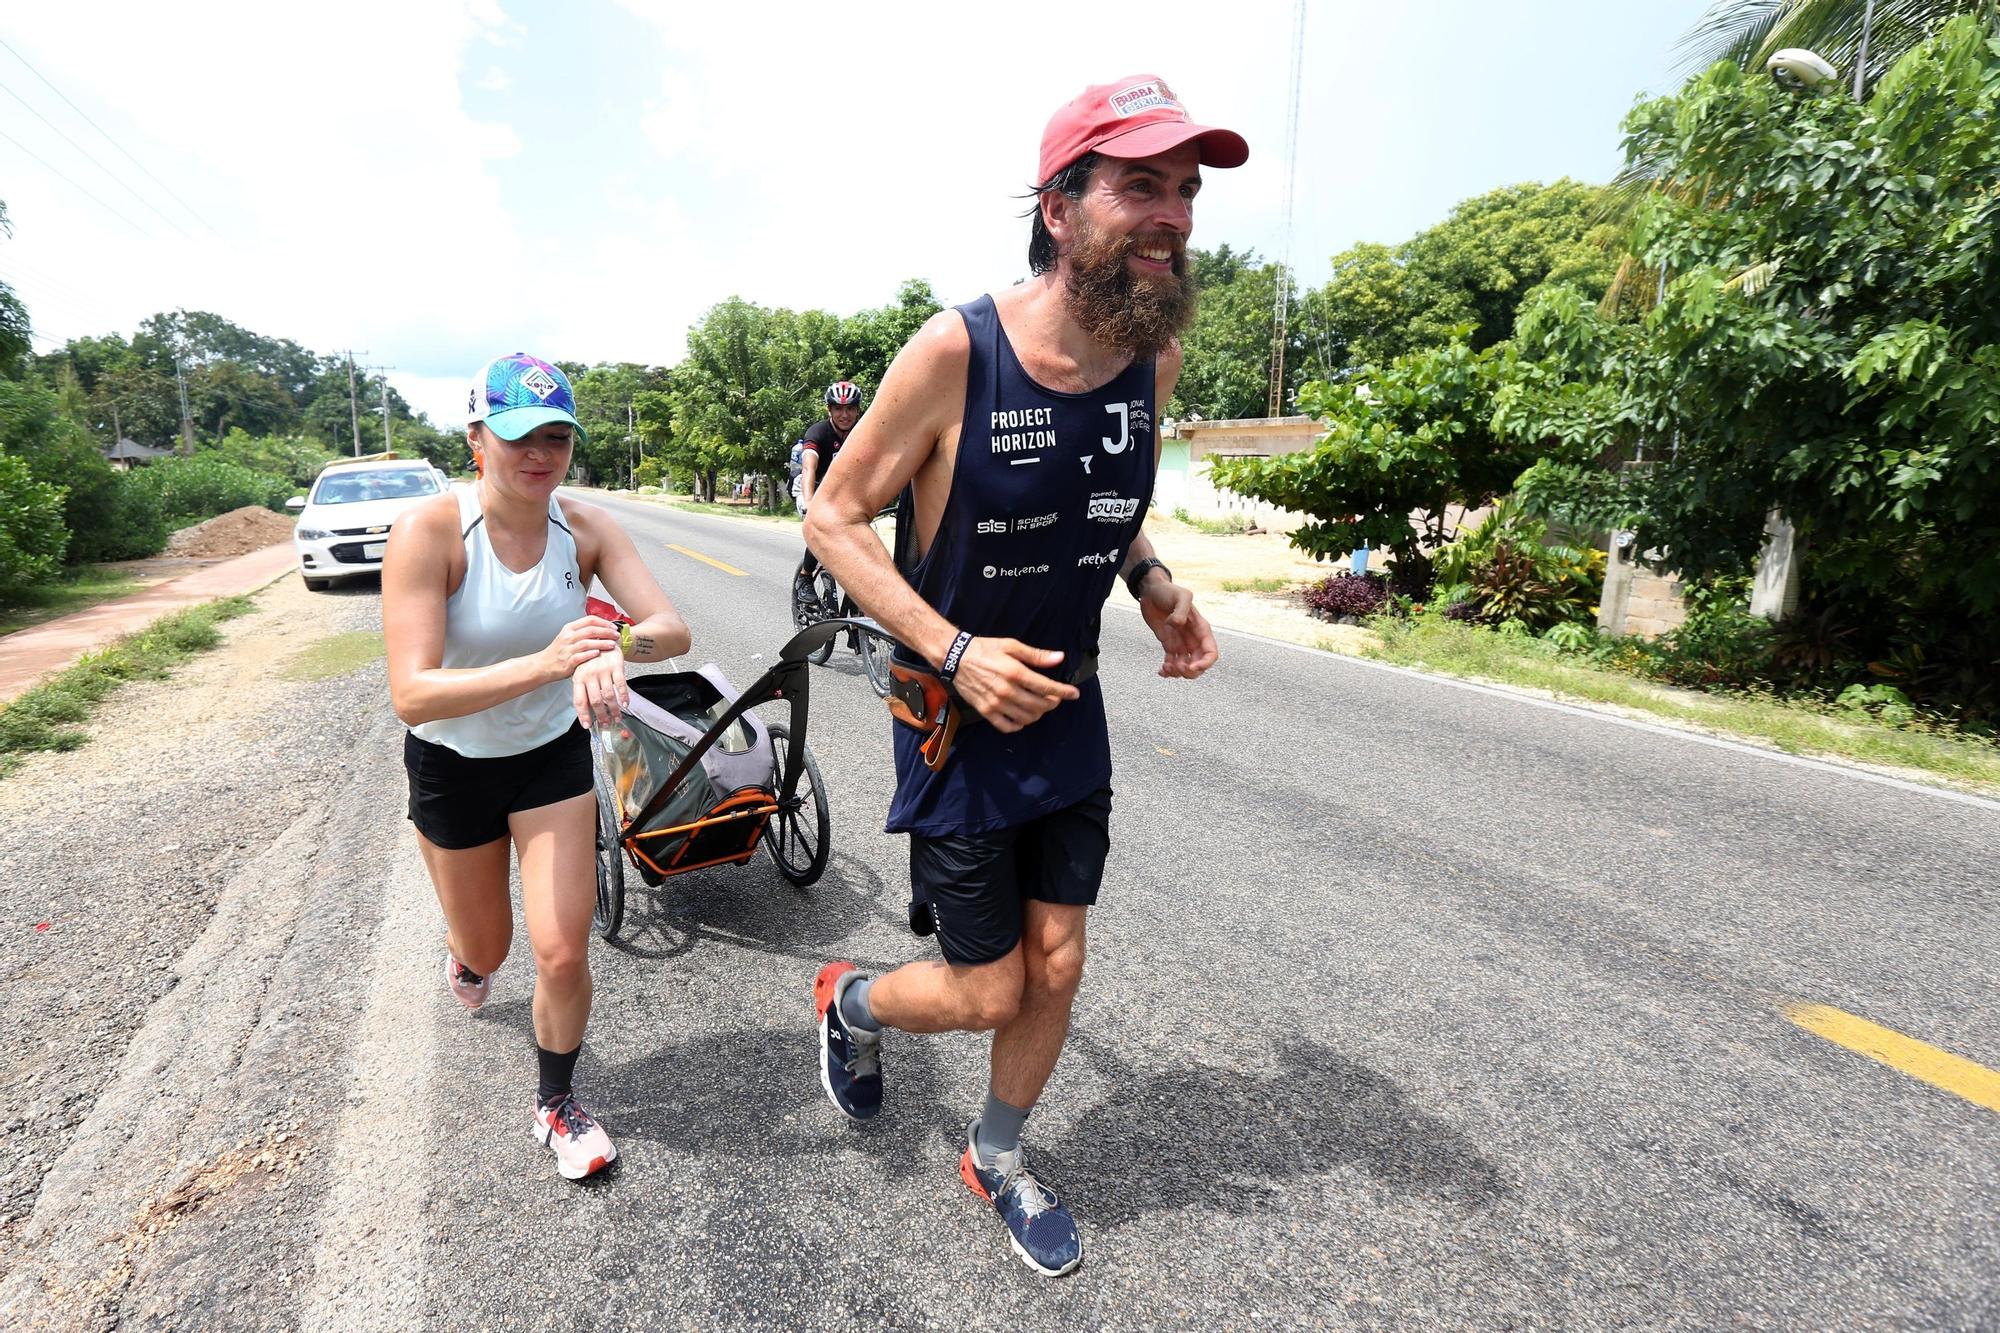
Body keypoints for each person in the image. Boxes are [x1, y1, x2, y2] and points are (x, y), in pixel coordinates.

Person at [802, 76, 1242, 1275]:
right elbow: (833, 519)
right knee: (988, 986)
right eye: (1139, 186)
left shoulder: (1150, 361)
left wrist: (1150, 581)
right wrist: (950, 649)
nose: (1171, 216)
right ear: (1058, 206)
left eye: (1184, 192)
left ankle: (995, 1156)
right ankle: (846, 1001)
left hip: (1068, 707)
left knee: (1058, 961)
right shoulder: (957, 351)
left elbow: (1101, 503)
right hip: (951, 714)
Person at [383, 352, 691, 1181]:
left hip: (550, 758)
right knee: (491, 945)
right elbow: (412, 694)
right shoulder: (431, 532)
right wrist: (553, 660)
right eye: (519, 436)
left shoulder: (584, 530)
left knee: (561, 952)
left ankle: (556, 1103)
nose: (539, 455)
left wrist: (611, 643)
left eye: (557, 437)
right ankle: (467, 953)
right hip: (453, 764)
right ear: (476, 437)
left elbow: (671, 627)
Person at [791, 380, 864, 616]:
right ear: (829, 410)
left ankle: (856, 627)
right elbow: (808, 469)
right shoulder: (819, 432)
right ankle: (804, 578)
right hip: (809, 487)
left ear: (858, 410)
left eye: (850, 408)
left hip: (840, 492)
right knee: (822, 525)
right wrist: (810, 503)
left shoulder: (862, 432)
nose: (845, 414)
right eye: (838, 408)